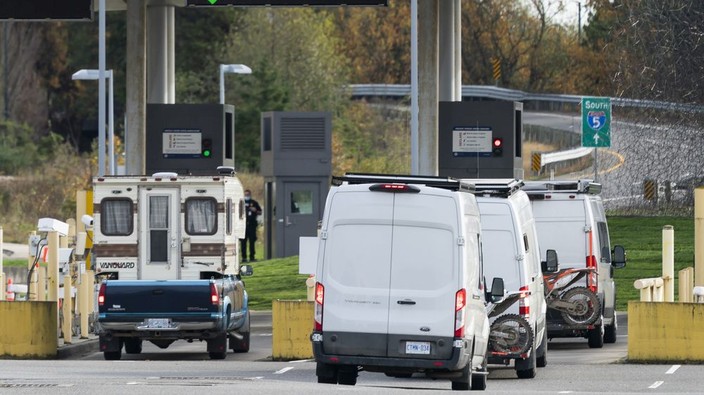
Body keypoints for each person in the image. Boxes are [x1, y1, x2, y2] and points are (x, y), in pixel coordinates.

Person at [240, 189, 262, 262]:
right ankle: (244, 257)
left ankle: (252, 257)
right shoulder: (241, 202)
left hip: (252, 225)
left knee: (252, 241)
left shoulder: (254, 203)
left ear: (250, 195)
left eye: (248, 195)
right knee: (243, 242)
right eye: (245, 195)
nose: (247, 196)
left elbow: (260, 212)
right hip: (243, 226)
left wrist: (255, 210)